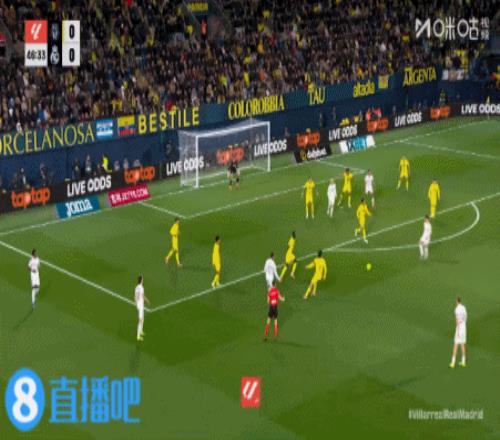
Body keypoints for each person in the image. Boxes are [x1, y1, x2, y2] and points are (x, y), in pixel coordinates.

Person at [450, 297, 467, 368]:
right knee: (462, 344)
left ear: (457, 301)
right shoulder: (464, 308)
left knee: (455, 345)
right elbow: (466, 317)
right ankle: (463, 362)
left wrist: (457, 327)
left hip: (459, 329)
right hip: (464, 328)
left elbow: (457, 321)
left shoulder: (456, 309)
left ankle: (453, 363)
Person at [135, 275, 150, 342]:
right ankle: (138, 336)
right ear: (141, 280)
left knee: (142, 319)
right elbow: (142, 295)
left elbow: (135, 296)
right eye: (143, 279)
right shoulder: (141, 287)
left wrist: (136, 303)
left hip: (140, 304)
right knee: (140, 320)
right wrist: (147, 300)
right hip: (140, 305)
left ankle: (141, 331)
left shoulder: (137, 287)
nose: (143, 280)